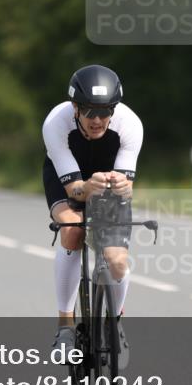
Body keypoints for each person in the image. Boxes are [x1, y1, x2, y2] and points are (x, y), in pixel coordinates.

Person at [43, 65, 142, 357]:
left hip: (106, 182)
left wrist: (122, 187)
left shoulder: (130, 124)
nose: (97, 120)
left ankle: (115, 325)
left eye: (105, 112)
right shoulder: (56, 122)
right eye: (89, 112)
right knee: (72, 231)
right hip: (67, 177)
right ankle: (65, 326)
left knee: (116, 259)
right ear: (75, 107)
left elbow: (127, 186)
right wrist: (87, 187)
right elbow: (74, 190)